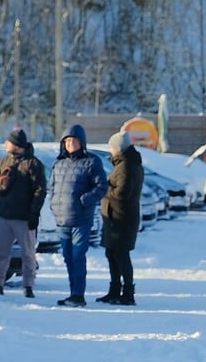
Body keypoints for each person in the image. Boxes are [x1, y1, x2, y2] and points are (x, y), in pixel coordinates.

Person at [0, 128, 47, 299]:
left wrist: (34, 215)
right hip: (4, 215)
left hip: (24, 218)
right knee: (2, 253)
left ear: (17, 145)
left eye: (9, 142)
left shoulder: (33, 164)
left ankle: (28, 286)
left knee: (28, 254)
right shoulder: (3, 161)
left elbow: (40, 191)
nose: (6, 144)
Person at [48, 123, 108, 307]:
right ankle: (72, 292)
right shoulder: (59, 164)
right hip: (62, 218)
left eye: (73, 141)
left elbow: (102, 187)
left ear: (81, 142)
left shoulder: (92, 161)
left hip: (81, 218)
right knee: (67, 257)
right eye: (66, 141)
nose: (69, 144)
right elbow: (53, 187)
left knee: (78, 256)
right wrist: (53, 203)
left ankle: (78, 294)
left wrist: (86, 200)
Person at [98, 131, 144, 305]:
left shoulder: (126, 166)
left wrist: (105, 189)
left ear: (118, 148)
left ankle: (127, 293)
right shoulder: (127, 163)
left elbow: (122, 192)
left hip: (121, 218)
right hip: (116, 217)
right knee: (112, 253)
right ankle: (115, 290)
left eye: (111, 147)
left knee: (121, 255)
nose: (110, 150)